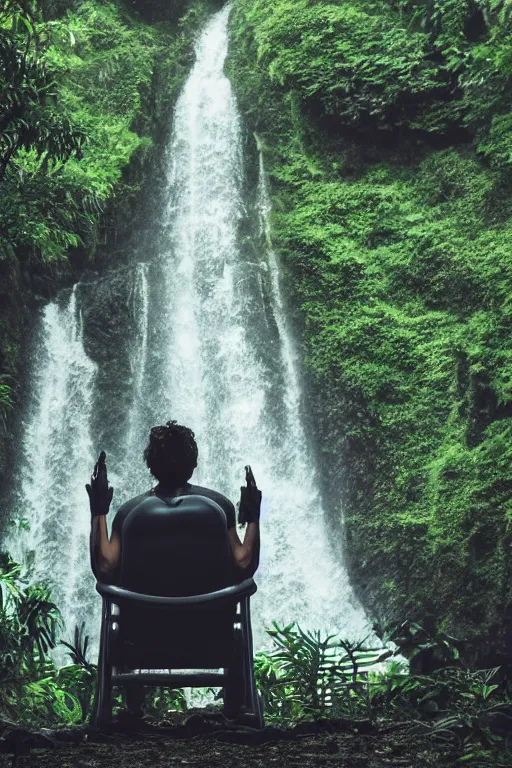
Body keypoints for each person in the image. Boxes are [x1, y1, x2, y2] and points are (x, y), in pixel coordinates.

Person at [87, 420, 261, 585]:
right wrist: (253, 515)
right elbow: (243, 563)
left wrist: (98, 511)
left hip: (143, 616)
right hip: (211, 615)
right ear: (194, 464)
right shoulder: (220, 507)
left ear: (150, 465)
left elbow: (105, 567)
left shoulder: (128, 513)